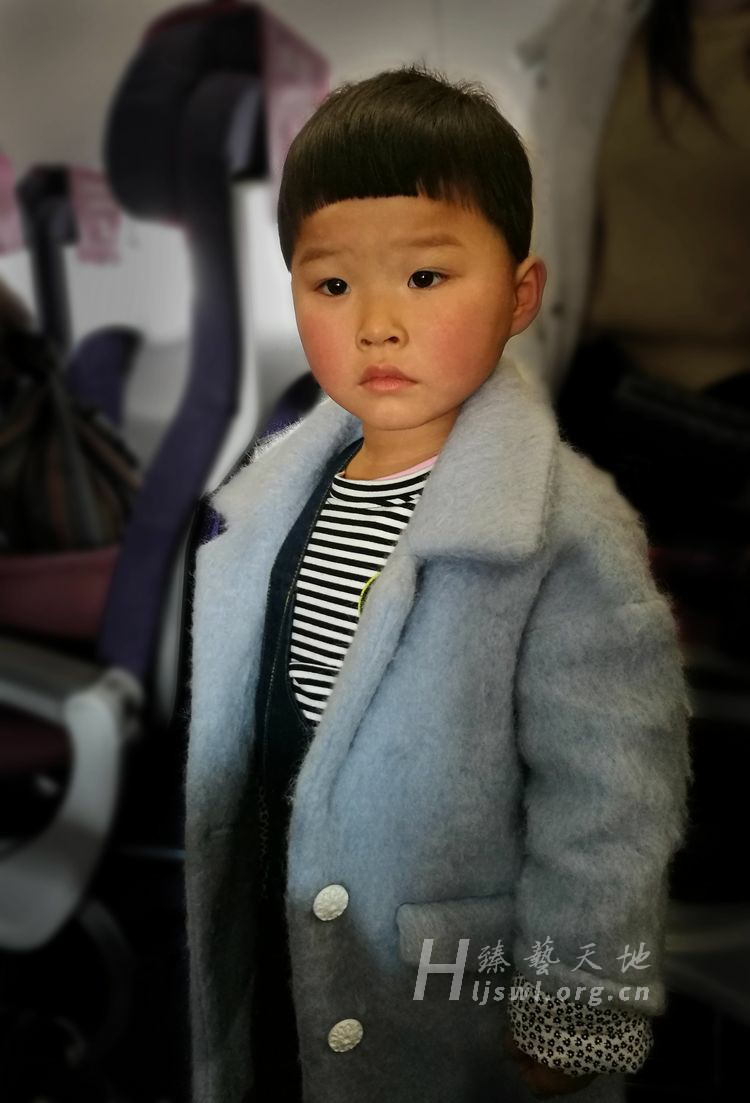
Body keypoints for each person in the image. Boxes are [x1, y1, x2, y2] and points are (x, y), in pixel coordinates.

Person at [183, 61, 691, 1103]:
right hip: (284, 956)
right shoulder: (273, 499)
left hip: (442, 998)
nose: (377, 321)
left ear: (519, 295)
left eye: (424, 277)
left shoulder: (559, 527)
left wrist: (577, 1008)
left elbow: (610, 797)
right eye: (333, 285)